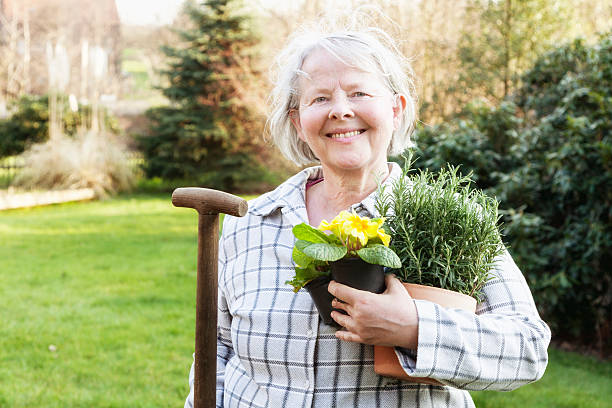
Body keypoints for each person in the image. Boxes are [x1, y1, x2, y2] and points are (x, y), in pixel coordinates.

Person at [185, 20, 551, 408]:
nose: (341, 111)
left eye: (359, 92)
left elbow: (527, 349)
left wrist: (412, 328)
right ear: (298, 120)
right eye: (320, 98)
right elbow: (218, 349)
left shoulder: (452, 223)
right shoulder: (250, 223)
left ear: (396, 108)